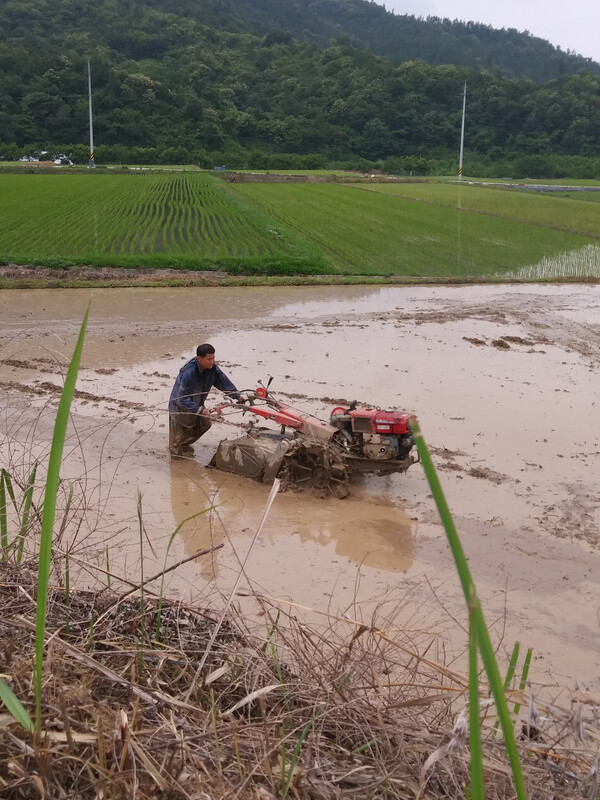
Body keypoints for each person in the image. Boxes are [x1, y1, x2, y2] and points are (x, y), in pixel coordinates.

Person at [168, 343, 242, 457]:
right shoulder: (188, 373)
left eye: (213, 358)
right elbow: (181, 398)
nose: (212, 362)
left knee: (205, 424)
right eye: (209, 359)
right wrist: (200, 410)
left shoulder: (212, 369)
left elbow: (222, 381)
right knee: (175, 447)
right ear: (199, 358)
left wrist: (237, 396)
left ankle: (185, 444)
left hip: (197, 404)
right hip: (180, 408)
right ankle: (175, 464)